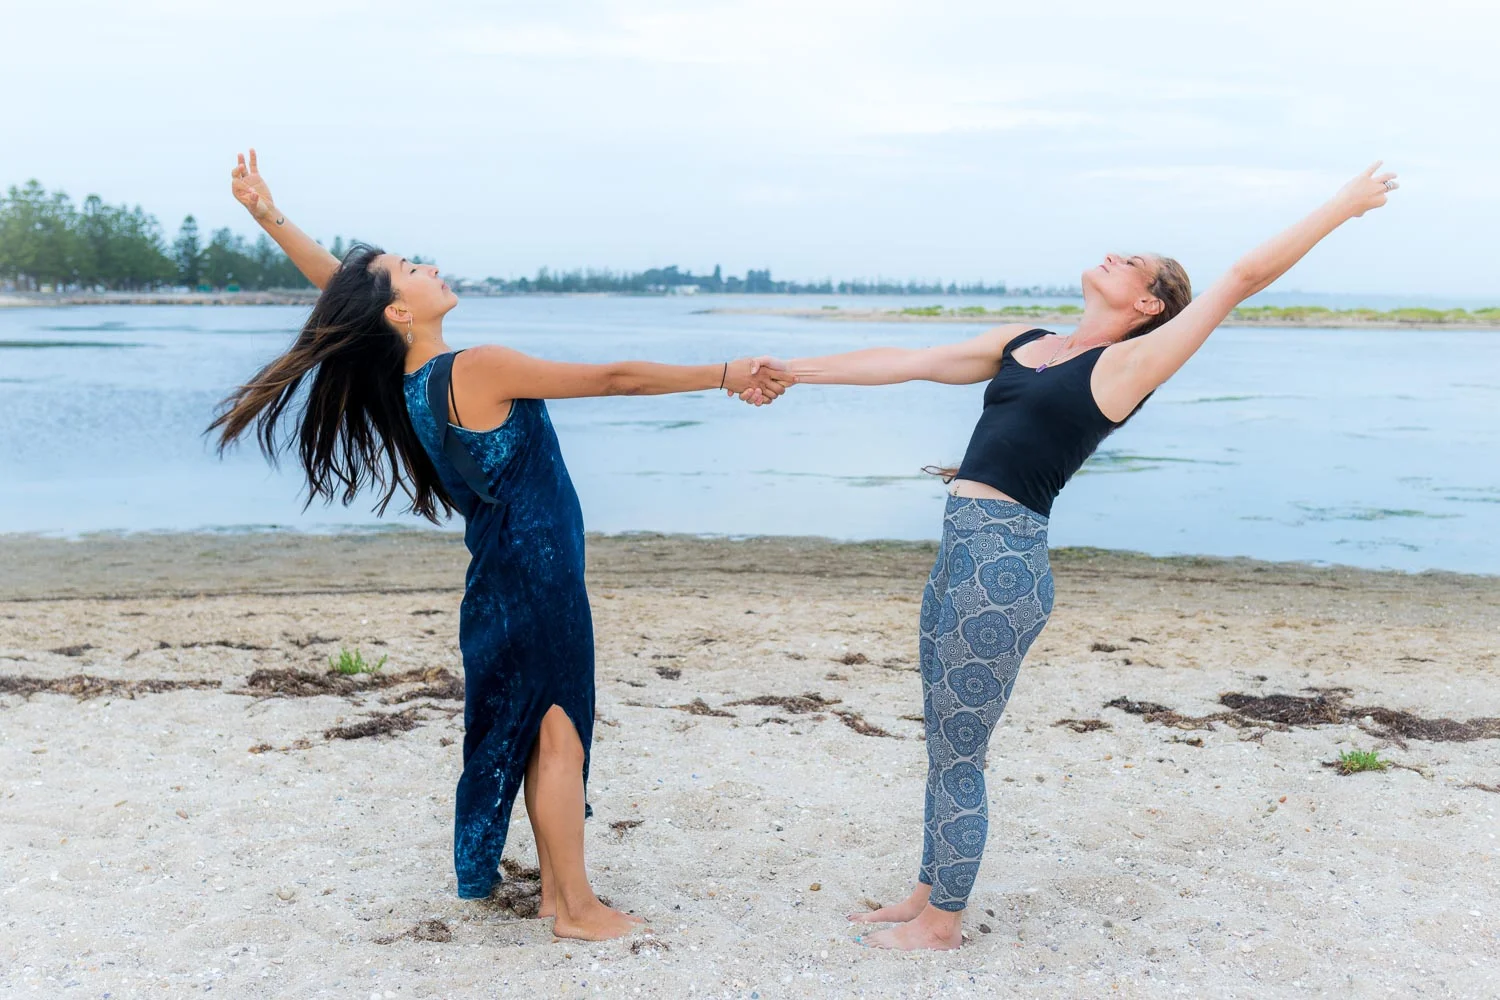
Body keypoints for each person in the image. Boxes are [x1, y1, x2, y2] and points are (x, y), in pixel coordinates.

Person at [745, 163, 1400, 950]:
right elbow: (911, 360)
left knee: (962, 751)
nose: (1113, 257)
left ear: (1149, 304)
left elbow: (1241, 276)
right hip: (958, 553)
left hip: (1005, 567)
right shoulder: (1025, 345)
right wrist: (793, 371)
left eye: (1132, 263)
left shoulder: (1129, 365)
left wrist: (1343, 205)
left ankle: (943, 926)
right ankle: (924, 894)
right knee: (943, 738)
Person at [209, 149, 792, 941]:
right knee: (558, 730)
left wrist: (270, 218)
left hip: (499, 575)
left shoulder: (409, 380)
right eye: (413, 268)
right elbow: (615, 377)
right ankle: (577, 911)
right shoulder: (476, 368)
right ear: (400, 312)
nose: (432, 267)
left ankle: (559, 892)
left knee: (536, 727)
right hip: (537, 571)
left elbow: (344, 299)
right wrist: (724, 371)